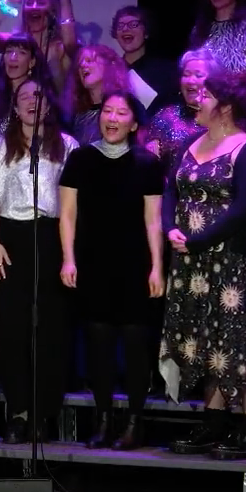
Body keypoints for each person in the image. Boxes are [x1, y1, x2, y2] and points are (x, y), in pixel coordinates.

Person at [162, 71, 246, 460]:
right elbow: (169, 191)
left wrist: (200, 239)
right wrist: (170, 228)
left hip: (233, 261)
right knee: (204, 338)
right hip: (192, 262)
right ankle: (213, 420)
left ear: (225, 106)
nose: (196, 100)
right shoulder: (189, 145)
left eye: (205, 95)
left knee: (235, 339)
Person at [58, 92, 166, 450]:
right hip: (93, 264)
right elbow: (68, 214)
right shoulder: (81, 159)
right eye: (107, 111)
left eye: (121, 113)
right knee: (98, 347)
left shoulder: (147, 163)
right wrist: (68, 259)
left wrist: (157, 267)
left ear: (133, 124)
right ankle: (103, 419)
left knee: (135, 347)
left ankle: (134, 422)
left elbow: (153, 221)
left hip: (134, 265)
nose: (113, 118)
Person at [0, 78, 78, 444]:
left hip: (52, 237)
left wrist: (69, 253)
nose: (30, 102)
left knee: (50, 329)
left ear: (48, 105)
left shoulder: (67, 146)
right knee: (12, 329)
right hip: (11, 238)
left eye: (37, 96)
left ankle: (44, 412)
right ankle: (19, 412)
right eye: (23, 96)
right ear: (14, 106)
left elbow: (74, 204)